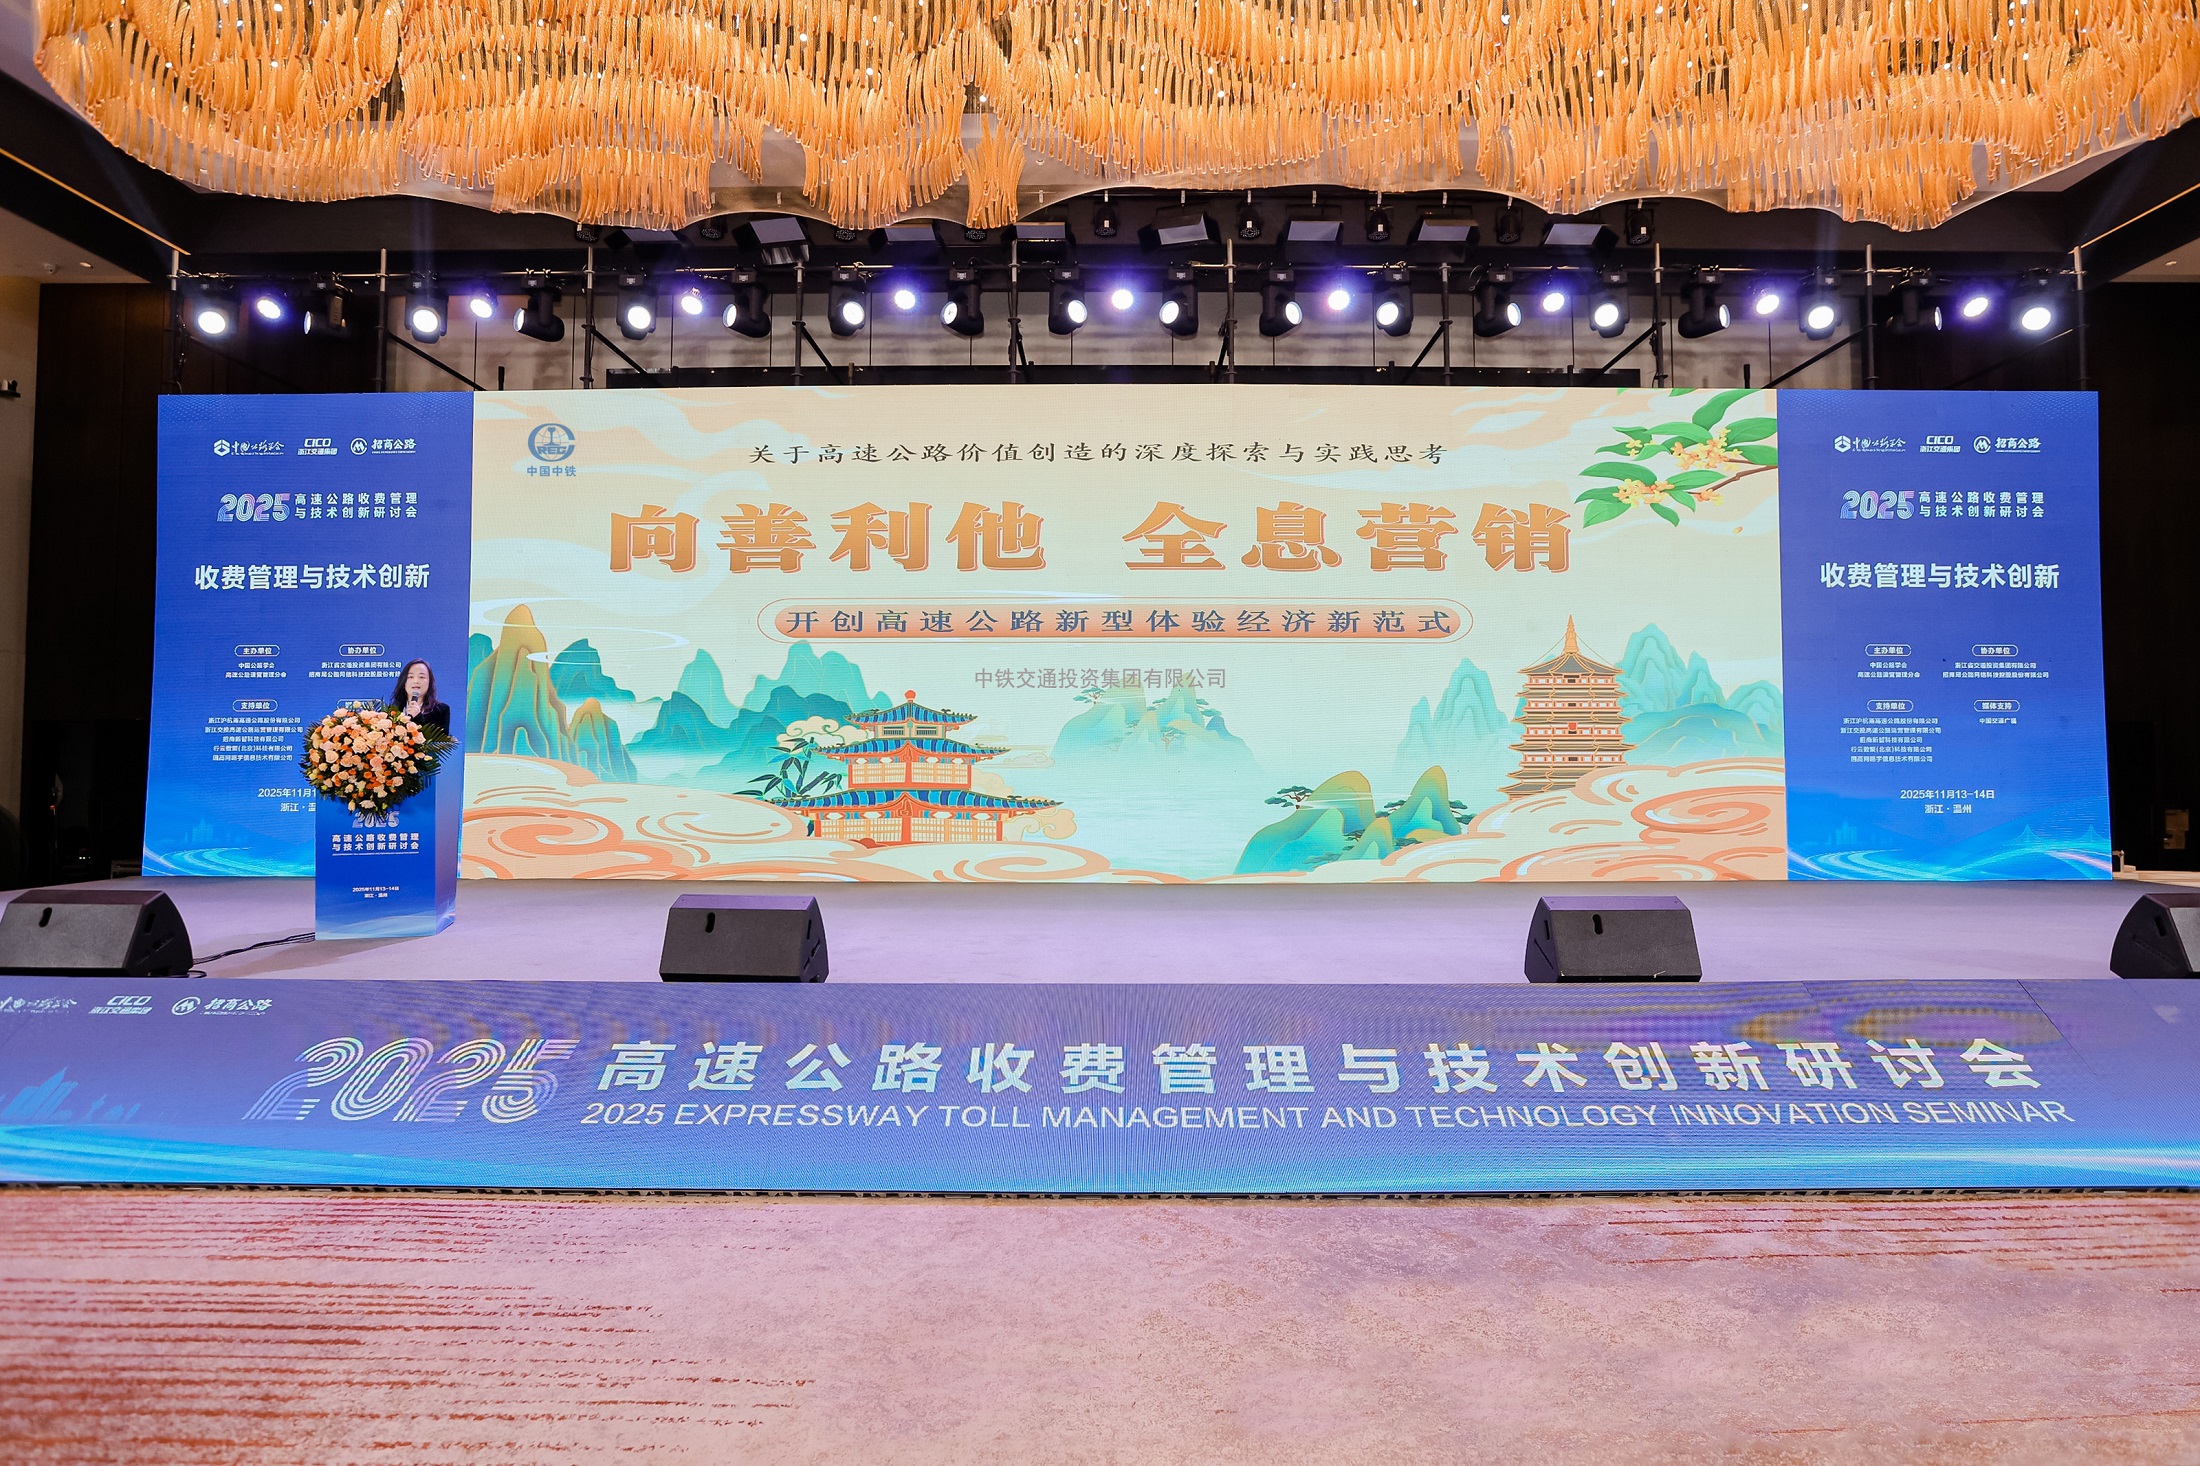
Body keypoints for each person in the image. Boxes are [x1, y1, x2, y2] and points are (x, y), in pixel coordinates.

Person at [391, 659, 450, 733]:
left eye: (421, 677)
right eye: (411, 677)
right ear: (404, 683)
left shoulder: (441, 710)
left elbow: (440, 738)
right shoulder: (393, 711)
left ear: (429, 682)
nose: (416, 681)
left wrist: (418, 717)